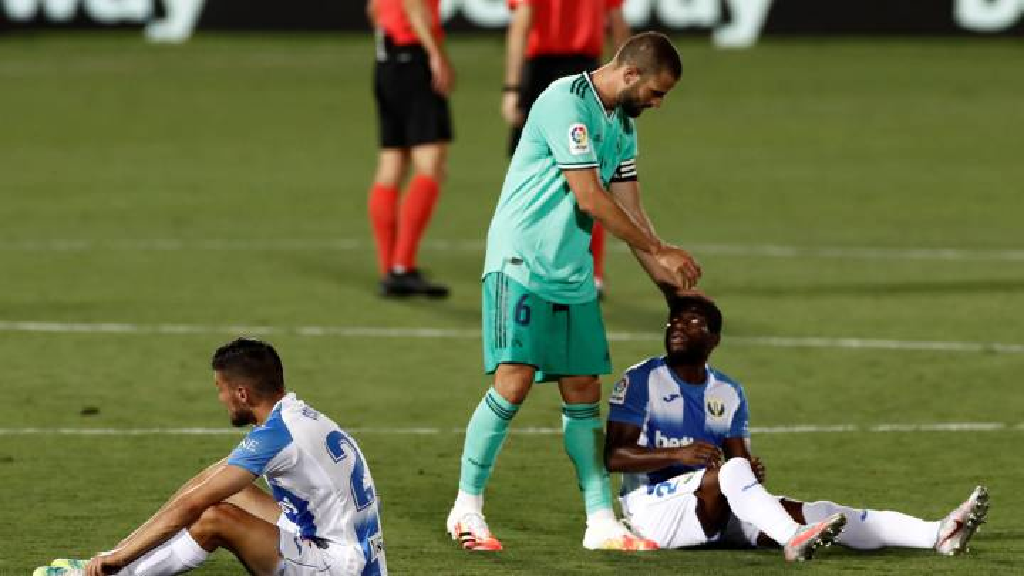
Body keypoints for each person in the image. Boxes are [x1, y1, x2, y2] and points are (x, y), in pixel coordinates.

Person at [446, 32, 703, 552]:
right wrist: (661, 246)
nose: (659, 103)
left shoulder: (623, 127)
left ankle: (599, 519)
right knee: (513, 383)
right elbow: (588, 196)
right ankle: (466, 508)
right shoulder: (566, 102)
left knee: (584, 390)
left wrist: (670, 291)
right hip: (520, 261)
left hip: (571, 272)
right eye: (657, 92)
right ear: (630, 74)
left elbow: (630, 210)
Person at [603, 291, 991, 561]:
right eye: (674, 321)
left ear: (715, 340)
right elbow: (614, 457)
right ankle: (793, 540)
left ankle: (934, 534)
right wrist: (678, 454)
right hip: (651, 512)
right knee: (741, 481)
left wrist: (752, 473)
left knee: (821, 512)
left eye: (693, 323)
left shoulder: (728, 392)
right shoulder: (641, 380)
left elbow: (742, 467)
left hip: (711, 507)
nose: (678, 327)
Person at [35, 338, 386, 576]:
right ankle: (114, 564)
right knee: (222, 487)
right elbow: (202, 486)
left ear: (242, 393)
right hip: (343, 542)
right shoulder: (297, 416)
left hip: (341, 565)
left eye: (220, 390)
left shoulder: (275, 436)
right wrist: (122, 547)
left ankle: (114, 573)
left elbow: (190, 508)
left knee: (216, 518)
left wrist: (116, 559)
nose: (220, 399)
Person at [503, 0, 631, 297]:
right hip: (585, 73)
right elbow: (617, 23)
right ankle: (592, 273)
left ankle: (530, 267)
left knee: (534, 179)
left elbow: (522, 23)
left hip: (539, 75)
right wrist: (626, 81)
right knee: (592, 178)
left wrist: (511, 88)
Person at [366, 0, 452, 298]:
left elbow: (373, 10)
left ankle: (390, 269)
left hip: (386, 60)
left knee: (392, 165)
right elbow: (415, 6)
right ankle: (402, 267)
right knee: (431, 164)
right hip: (412, 58)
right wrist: (435, 54)